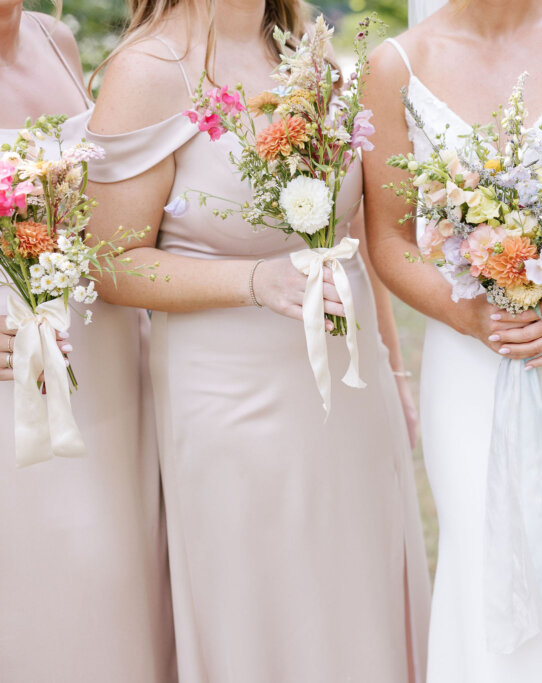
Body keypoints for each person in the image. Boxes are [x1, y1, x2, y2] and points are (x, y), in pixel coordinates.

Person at [85, 2, 430, 680]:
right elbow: (112, 263)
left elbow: (352, 237)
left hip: (350, 397)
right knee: (269, 608)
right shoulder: (149, 70)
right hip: (234, 402)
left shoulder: (305, 52)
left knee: (354, 599)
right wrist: (252, 280)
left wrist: (393, 371)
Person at [362, 0, 542, 679]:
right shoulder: (395, 66)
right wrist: (468, 315)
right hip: (472, 365)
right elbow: (391, 239)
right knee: (484, 559)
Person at [0, 2, 176, 680]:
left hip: (106, 359)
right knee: (52, 585)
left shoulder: (55, 38)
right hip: (18, 379)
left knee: (126, 574)